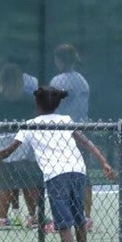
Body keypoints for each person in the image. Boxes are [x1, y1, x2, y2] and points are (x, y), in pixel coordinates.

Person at [0, 87, 115, 242]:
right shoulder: (65, 120)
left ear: (37, 104)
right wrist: (104, 161)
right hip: (78, 171)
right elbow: (85, 142)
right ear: (57, 104)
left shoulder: (30, 125)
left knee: (63, 224)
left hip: (56, 176)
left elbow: (9, 151)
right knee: (79, 220)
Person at [0, 62, 45, 230]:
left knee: (5, 180)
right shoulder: (29, 99)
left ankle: (3, 217)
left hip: (5, 140)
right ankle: (32, 216)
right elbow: (35, 118)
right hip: (24, 140)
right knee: (28, 178)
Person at [49, 43, 94, 227]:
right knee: (83, 173)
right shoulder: (82, 80)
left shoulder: (58, 81)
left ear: (60, 60)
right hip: (81, 129)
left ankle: (65, 217)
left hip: (64, 133)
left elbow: (52, 106)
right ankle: (86, 216)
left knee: (62, 174)